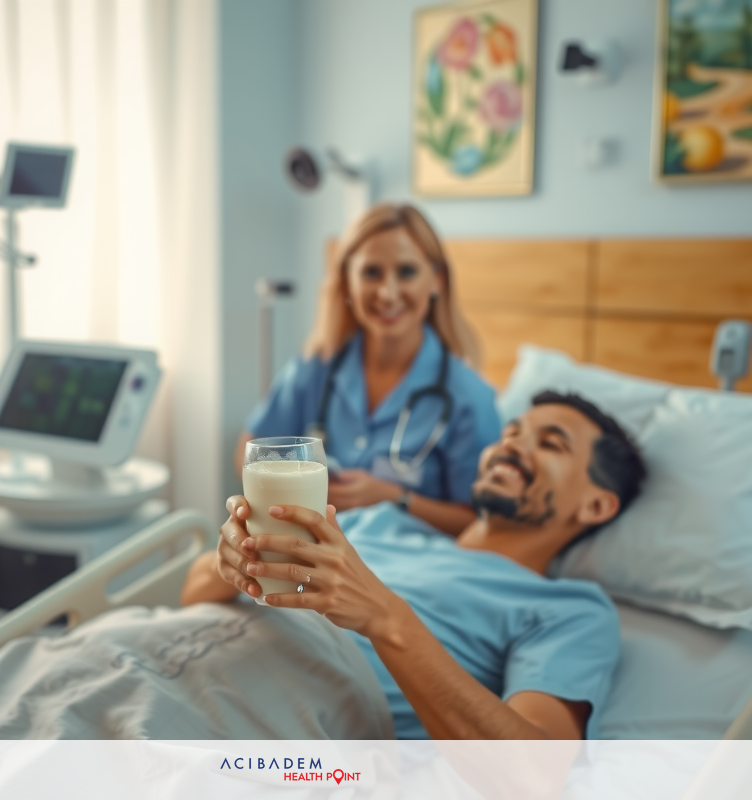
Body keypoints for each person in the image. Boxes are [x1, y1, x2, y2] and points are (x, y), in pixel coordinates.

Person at [185, 391, 647, 739]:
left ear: (596, 506)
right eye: (511, 433)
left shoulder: (569, 610)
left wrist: (387, 619)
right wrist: (231, 561)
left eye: (550, 444)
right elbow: (192, 594)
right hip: (164, 655)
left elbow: (531, 776)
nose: (511, 446)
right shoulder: (379, 521)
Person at [237, 203, 500, 536]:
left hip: (401, 571)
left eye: (406, 272)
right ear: (347, 281)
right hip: (305, 555)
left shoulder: (470, 398)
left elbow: (483, 525)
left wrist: (395, 499)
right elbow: (249, 451)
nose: (387, 294)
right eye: (371, 273)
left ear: (437, 281)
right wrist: (298, 490)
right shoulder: (315, 368)